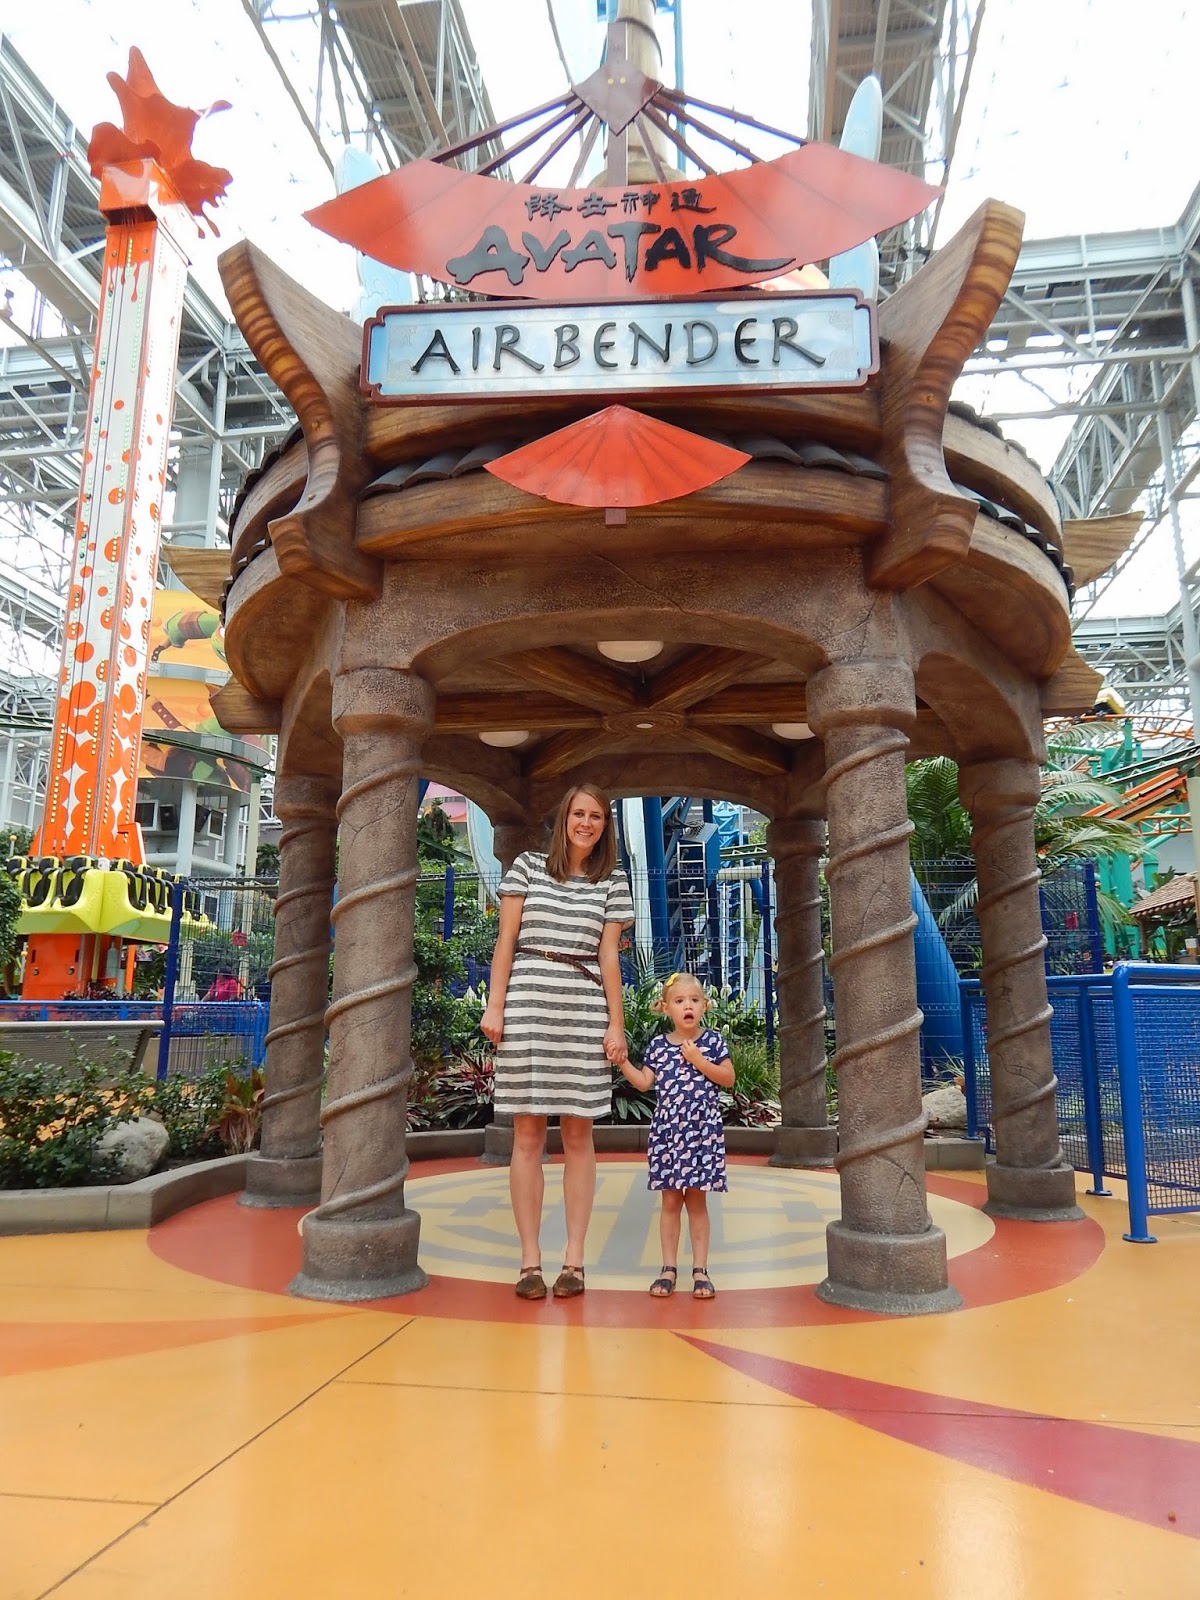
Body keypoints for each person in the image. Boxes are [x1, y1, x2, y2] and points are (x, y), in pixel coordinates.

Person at [481, 784, 634, 1300]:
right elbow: (506, 941)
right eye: (578, 814)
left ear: (605, 825)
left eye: (596, 816)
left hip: (584, 1009)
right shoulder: (526, 867)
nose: (586, 823)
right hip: (527, 1004)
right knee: (526, 1135)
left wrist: (616, 1024)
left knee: (578, 1135)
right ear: (564, 818)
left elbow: (609, 956)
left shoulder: (613, 881)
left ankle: (574, 1261)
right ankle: (530, 1262)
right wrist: (495, 1005)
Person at [617, 971, 734, 1300]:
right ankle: (668, 1267)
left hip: (701, 1133)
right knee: (670, 1201)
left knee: (697, 1200)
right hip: (668, 1133)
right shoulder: (658, 1046)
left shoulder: (713, 1042)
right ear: (666, 1008)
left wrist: (698, 1060)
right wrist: (622, 1062)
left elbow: (727, 1078)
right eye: (680, 1000)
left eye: (694, 1000)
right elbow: (644, 1082)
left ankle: (700, 1270)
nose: (688, 1006)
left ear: (705, 1006)